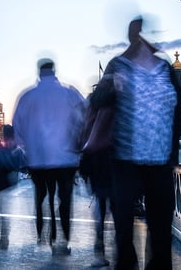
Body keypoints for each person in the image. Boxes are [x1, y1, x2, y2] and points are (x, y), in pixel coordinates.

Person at [90, 16, 181, 270]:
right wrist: (113, 87)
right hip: (125, 161)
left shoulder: (166, 69)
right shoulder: (118, 65)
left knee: (162, 231)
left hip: (160, 162)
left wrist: (174, 153)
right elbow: (96, 100)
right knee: (123, 230)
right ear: (135, 36)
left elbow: (179, 112)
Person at [12, 58, 85, 255]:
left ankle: (45, 232)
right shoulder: (69, 93)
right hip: (65, 158)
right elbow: (85, 115)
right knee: (64, 197)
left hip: (39, 159)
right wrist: (77, 140)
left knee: (43, 195)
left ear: (39, 72)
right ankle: (63, 237)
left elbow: (17, 126)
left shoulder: (27, 96)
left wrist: (27, 146)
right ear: (54, 71)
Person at [79, 89, 113, 268]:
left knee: (99, 202)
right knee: (118, 205)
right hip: (114, 157)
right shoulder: (118, 100)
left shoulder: (93, 102)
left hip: (95, 157)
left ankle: (100, 247)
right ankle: (121, 249)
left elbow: (84, 130)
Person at [0, 124, 27, 250]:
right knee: (3, 211)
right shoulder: (9, 151)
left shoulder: (7, 151)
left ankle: (4, 237)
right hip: (1, 186)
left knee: (3, 211)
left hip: (3, 187)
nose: (8, 141)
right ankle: (4, 237)